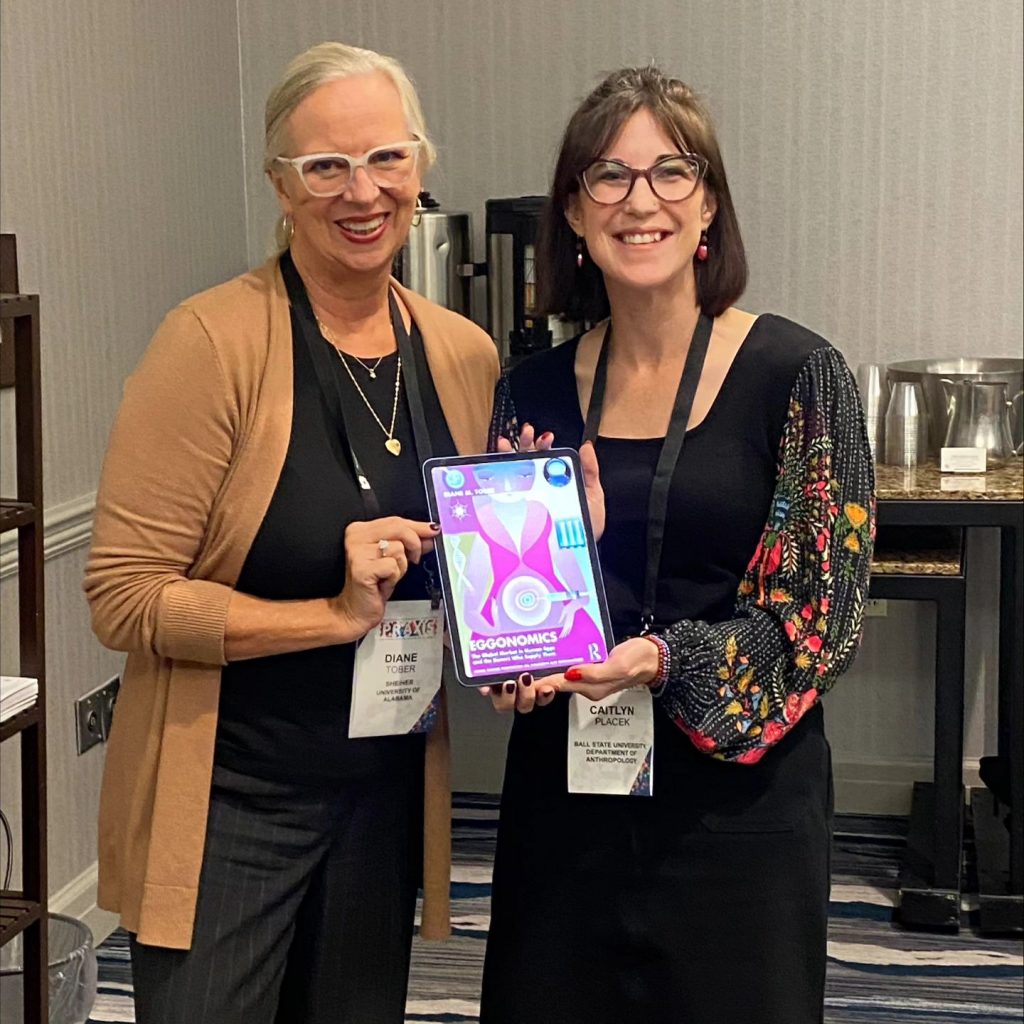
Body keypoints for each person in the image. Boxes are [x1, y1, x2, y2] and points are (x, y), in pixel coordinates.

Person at [83, 41, 498, 1024]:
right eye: (326, 167)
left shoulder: (462, 355)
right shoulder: (209, 342)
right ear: (281, 184)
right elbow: (123, 595)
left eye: (386, 159)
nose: (362, 191)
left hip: (383, 793)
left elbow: (481, 572)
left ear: (421, 167)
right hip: (230, 797)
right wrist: (329, 614)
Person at [480, 66, 875, 1024]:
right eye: (608, 177)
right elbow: (502, 597)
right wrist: (510, 656)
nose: (639, 201)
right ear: (573, 214)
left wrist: (663, 658)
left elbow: (820, 623)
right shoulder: (529, 390)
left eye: (670, 173)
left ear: (709, 206)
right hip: (565, 799)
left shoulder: (798, 374)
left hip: (736, 813)